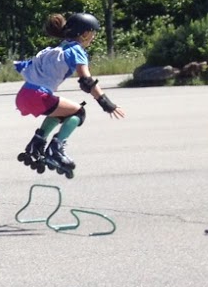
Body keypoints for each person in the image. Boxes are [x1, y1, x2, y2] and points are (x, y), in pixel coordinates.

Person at [13, 12, 125, 178]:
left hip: (23, 96)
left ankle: (37, 143)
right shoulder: (76, 50)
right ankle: (56, 149)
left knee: (61, 111)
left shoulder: (54, 49)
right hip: (38, 96)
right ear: (84, 33)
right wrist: (106, 103)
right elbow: (86, 81)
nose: (93, 37)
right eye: (92, 33)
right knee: (79, 112)